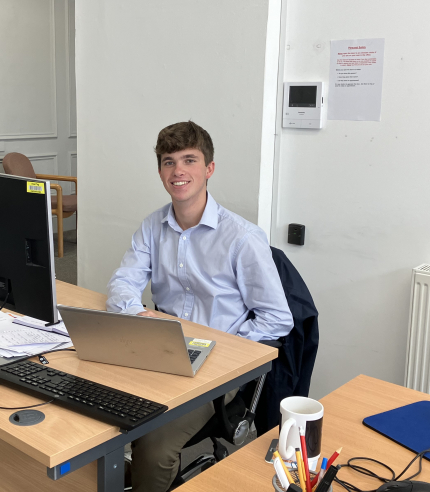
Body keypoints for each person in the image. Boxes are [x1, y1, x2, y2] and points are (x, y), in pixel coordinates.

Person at [106, 120, 293, 492]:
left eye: (189, 160)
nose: (178, 171)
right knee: (93, 405)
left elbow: (277, 318)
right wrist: (137, 313)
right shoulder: (152, 227)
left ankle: (146, 474)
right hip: (162, 349)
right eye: (168, 161)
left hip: (217, 369)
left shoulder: (242, 238)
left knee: (155, 447)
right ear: (160, 171)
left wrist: (225, 347)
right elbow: (121, 284)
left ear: (209, 168)